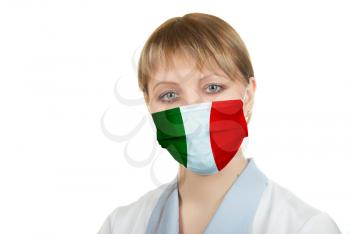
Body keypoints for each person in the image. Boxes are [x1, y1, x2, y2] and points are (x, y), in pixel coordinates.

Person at [97, 12, 341, 234]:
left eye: (213, 87)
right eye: (169, 95)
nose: (192, 109)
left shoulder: (304, 227)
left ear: (247, 96)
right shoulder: (121, 226)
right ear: (149, 104)